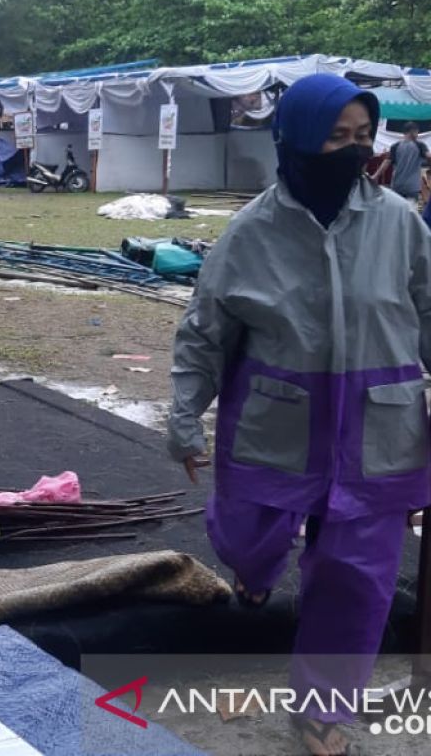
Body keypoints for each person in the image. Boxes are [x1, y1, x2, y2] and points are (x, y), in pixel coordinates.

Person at [168, 73, 431, 756]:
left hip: (381, 429)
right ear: (292, 142)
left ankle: (322, 708)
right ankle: (254, 576)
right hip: (278, 423)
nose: (351, 151)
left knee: (357, 572)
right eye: (335, 137)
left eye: (362, 138)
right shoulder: (251, 232)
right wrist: (183, 414)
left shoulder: (401, 224)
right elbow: (206, 331)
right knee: (247, 531)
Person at [369, 121, 427, 210]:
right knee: (411, 214)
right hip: (412, 188)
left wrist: (375, 176)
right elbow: (429, 157)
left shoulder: (395, 146)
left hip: (397, 186)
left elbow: (386, 163)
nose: (417, 134)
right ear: (413, 131)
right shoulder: (420, 146)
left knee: (397, 213)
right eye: (417, 132)